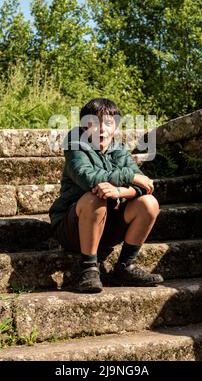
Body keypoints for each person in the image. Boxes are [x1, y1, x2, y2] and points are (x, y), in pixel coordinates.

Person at [49, 97, 163, 293]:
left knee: (149, 203)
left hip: (108, 226)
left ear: (115, 127)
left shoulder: (118, 149)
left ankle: (125, 267)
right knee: (95, 197)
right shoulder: (75, 142)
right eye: (94, 123)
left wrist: (119, 191)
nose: (102, 129)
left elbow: (145, 185)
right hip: (73, 227)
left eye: (108, 123)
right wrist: (129, 176)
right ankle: (89, 269)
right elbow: (89, 178)